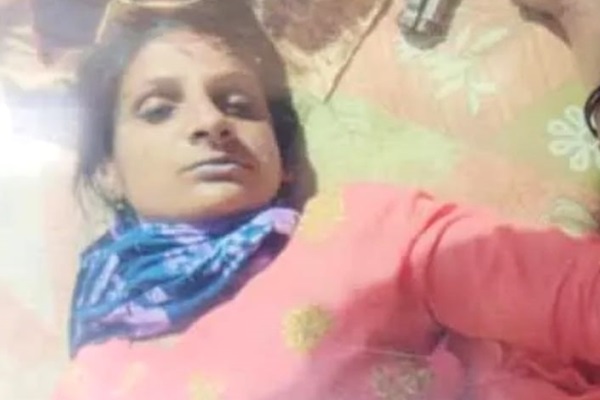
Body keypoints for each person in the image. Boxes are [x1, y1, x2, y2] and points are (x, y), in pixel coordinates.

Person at [54, 0, 600, 399]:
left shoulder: (368, 231)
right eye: (157, 110)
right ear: (109, 172)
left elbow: (579, 295)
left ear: (284, 159)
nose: (210, 123)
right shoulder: (95, 375)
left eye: (239, 105)